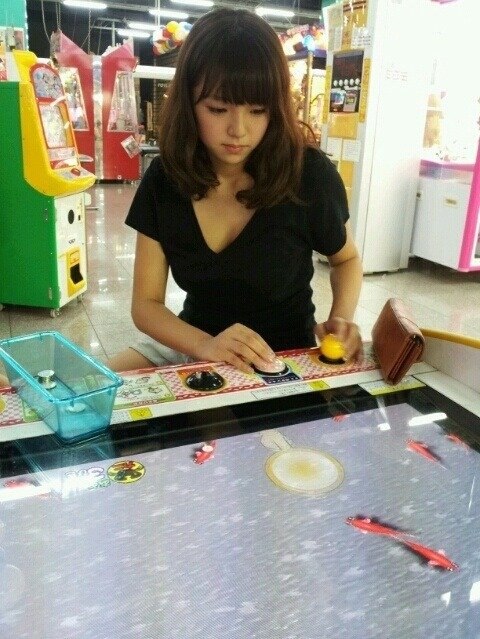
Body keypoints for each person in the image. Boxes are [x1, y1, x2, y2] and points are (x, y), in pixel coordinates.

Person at [108, 7, 364, 376]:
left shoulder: (307, 174)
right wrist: (206, 345)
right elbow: (146, 305)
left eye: (257, 110)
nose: (238, 130)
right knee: (87, 391)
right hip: (193, 343)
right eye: (217, 109)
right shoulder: (166, 178)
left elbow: (346, 260)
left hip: (283, 356)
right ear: (188, 103)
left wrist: (341, 318)